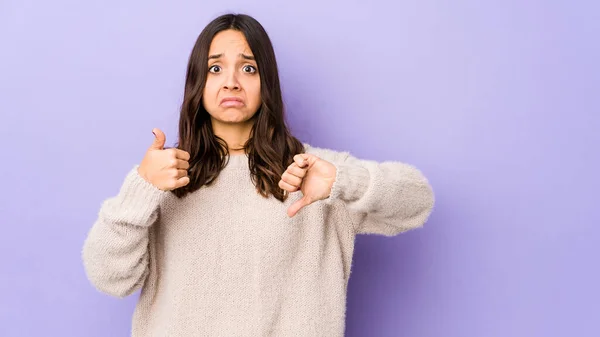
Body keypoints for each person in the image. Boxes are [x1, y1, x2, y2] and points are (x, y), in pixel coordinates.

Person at [82, 13, 434, 337]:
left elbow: (417, 201)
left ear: (267, 81)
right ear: (197, 83)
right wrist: (140, 188)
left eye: (248, 68)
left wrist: (345, 182)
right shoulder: (165, 177)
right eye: (215, 69)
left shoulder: (312, 172)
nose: (232, 82)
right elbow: (110, 278)